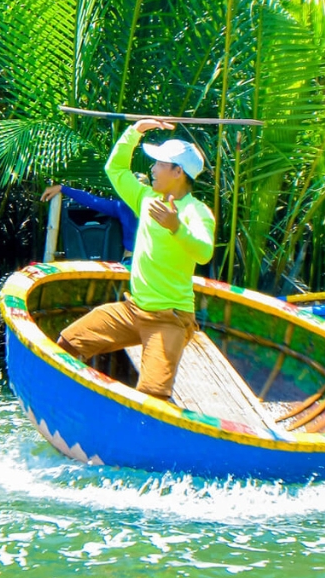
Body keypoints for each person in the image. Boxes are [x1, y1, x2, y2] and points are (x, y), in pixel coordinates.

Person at [56, 120, 215, 400]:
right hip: (133, 310)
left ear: (178, 171)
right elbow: (114, 169)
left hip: (170, 319)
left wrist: (176, 227)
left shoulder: (196, 211)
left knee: (153, 397)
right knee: (67, 342)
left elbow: (204, 252)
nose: (152, 169)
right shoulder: (146, 197)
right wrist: (136, 130)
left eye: (159, 164)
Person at [41, 177, 143, 260]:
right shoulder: (122, 207)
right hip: (131, 260)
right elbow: (92, 200)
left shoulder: (155, 207)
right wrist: (62, 188)